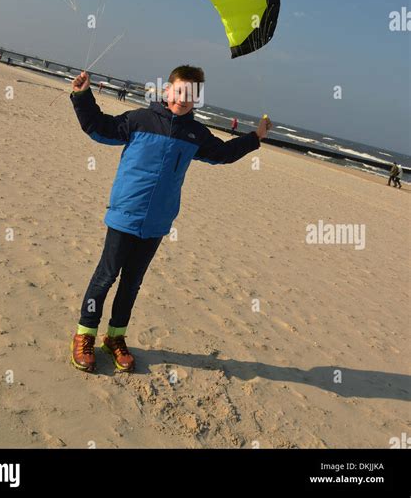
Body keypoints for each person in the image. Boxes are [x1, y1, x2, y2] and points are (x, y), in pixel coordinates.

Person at [69, 64, 272, 374]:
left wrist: (255, 137)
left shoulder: (195, 134)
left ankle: (116, 338)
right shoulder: (139, 120)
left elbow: (223, 154)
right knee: (106, 275)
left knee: (132, 282)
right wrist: (82, 96)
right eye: (179, 92)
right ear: (167, 90)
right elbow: (99, 128)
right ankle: (85, 335)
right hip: (125, 213)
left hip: (157, 222)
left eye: (191, 95)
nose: (183, 99)